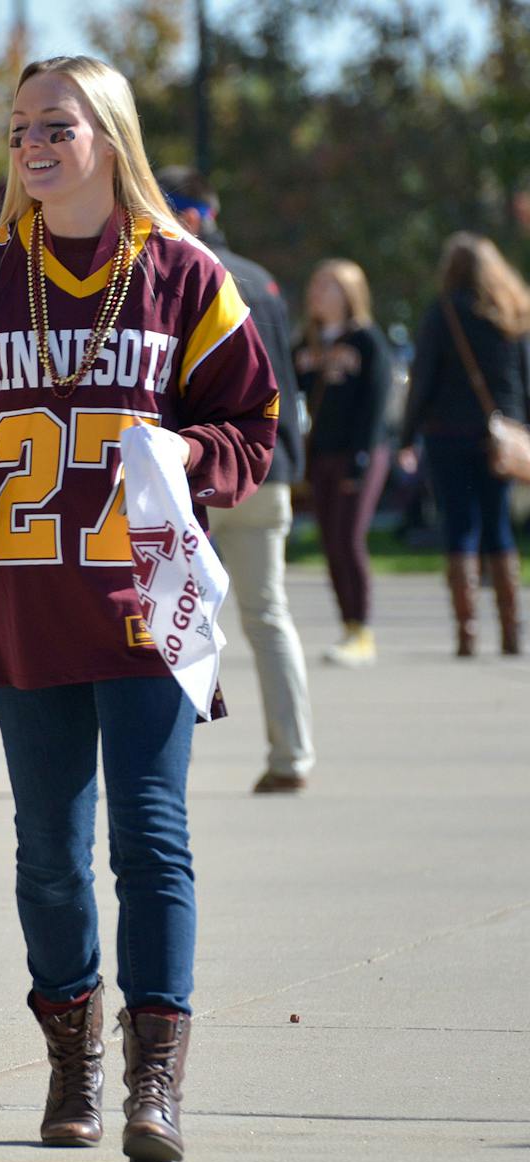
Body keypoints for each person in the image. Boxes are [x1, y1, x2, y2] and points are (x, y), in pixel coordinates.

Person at [0, 55, 278, 1162]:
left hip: (151, 604)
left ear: (108, 132)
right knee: (46, 852)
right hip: (27, 606)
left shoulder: (186, 278)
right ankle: (73, 1057)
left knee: (151, 838)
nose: (32, 145)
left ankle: (155, 1075)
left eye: (54, 124)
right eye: (17, 130)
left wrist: (185, 451)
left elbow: (249, 421)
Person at [156, 166, 314, 794]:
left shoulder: (179, 271)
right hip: (265, 466)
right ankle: (291, 753)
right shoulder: (263, 280)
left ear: (190, 216)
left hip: (194, 464)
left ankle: (167, 757)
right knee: (266, 614)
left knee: (169, 609)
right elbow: (286, 384)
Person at [399, 232, 530, 656]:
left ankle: (467, 633)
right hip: (502, 437)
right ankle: (512, 632)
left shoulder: (444, 314)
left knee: (459, 526)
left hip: (448, 435)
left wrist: (406, 435)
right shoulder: (512, 312)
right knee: (498, 525)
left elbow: (423, 380)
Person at [293, 260, 393, 668]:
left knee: (349, 538)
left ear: (350, 293)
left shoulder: (367, 341)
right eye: (315, 285)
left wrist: (362, 458)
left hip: (360, 454)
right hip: (321, 455)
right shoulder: (305, 344)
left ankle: (363, 630)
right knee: (331, 542)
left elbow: (376, 403)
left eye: (328, 286)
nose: (318, 293)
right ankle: (348, 627)